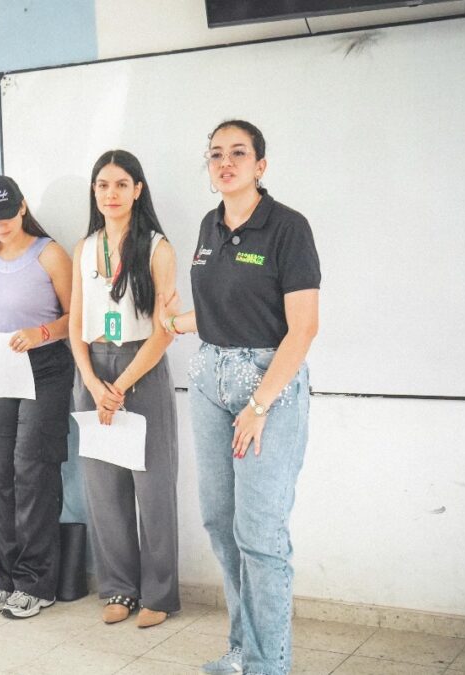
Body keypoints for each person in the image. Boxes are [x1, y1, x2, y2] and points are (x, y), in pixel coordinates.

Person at [158, 120, 320, 675]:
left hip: (264, 383)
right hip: (209, 376)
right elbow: (221, 305)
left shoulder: (287, 228)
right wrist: (177, 320)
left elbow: (301, 329)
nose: (225, 163)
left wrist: (259, 406)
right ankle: (242, 651)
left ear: (260, 166)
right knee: (220, 524)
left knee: (260, 535)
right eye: (216, 155)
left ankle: (269, 665)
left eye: (238, 153)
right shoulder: (210, 225)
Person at [68, 150, 179, 629]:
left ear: (137, 189)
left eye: (120, 184)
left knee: (152, 489)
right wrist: (94, 383)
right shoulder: (85, 246)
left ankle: (159, 594)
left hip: (142, 368)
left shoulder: (157, 247)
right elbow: (75, 325)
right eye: (101, 185)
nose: (110, 194)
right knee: (104, 489)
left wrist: (121, 384)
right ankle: (118, 588)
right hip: (93, 369)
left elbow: (165, 330)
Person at [0, 176, 73, 619]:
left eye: (6, 216)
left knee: (33, 470)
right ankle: (3, 578)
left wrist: (42, 332)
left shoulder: (50, 253)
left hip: (45, 368)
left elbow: (76, 318)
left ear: (23, 207)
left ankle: (36, 581)